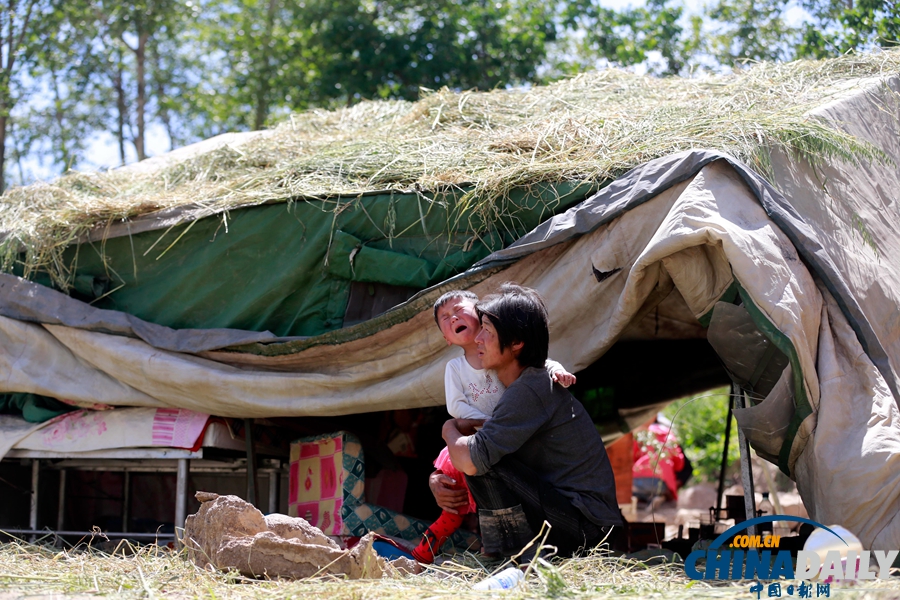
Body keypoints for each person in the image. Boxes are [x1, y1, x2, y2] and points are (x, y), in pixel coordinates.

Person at [439, 284, 622, 561]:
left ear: (516, 343)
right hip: (577, 521)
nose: (478, 339)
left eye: (487, 331)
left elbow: (470, 461)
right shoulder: (518, 385)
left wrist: (448, 429)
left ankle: (511, 554)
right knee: (482, 452)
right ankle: (508, 553)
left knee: (483, 460)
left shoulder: (530, 389)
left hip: (587, 530)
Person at [410, 289, 576, 563]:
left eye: (459, 310)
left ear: (482, 315)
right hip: (478, 439)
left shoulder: (504, 349)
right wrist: (484, 422)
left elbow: (537, 364)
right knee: (459, 508)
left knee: (498, 496)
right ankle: (423, 555)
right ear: (446, 339)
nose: (453, 319)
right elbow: (455, 407)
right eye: (445, 318)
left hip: (506, 442)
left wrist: (556, 369)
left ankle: (501, 550)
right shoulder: (455, 368)